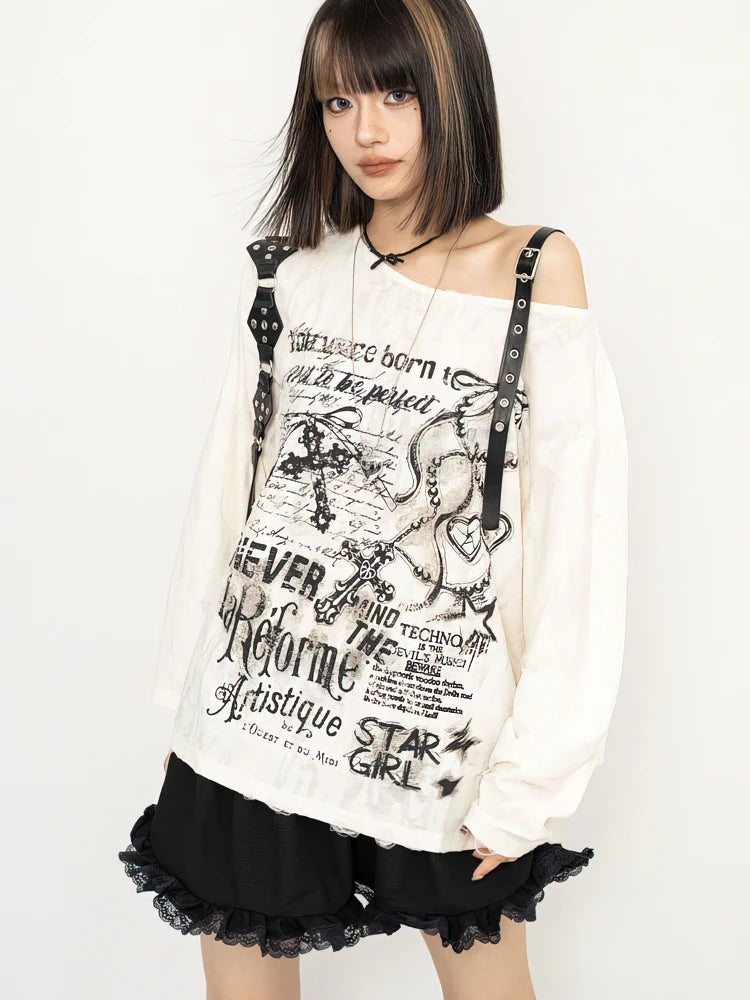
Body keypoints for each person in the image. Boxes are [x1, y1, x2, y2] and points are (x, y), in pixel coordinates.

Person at [117, 1, 628, 997]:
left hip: (431, 726)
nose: (368, 130)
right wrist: (187, 702)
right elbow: (232, 494)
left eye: (396, 93)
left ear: (453, 92)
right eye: (338, 102)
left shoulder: (531, 272)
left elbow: (580, 542)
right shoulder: (290, 275)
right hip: (259, 709)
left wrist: (533, 778)